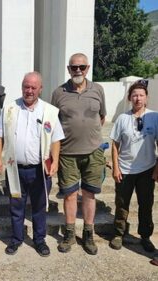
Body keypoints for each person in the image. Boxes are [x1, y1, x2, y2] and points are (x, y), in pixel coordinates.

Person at [0, 72, 64, 257]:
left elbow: (56, 139)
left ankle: (39, 240)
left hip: (40, 170)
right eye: (26, 86)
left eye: (33, 87)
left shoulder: (49, 111)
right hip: (14, 169)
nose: (29, 91)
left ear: (40, 89)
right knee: (16, 206)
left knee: (39, 207)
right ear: (22, 87)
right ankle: (16, 239)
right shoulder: (9, 108)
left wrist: (55, 161)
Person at [51, 53, 106, 255]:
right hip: (67, 153)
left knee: (90, 195)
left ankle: (89, 234)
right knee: (69, 195)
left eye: (82, 67)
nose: (78, 71)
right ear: (68, 69)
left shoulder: (98, 90)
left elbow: (102, 117)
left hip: (93, 152)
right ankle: (69, 234)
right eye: (74, 67)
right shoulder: (59, 93)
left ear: (88, 68)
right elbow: (52, 123)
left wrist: (89, 135)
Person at [109, 80, 158, 252]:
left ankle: (145, 236)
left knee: (146, 204)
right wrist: (115, 167)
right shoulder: (122, 118)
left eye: (141, 95)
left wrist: (157, 169)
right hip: (125, 169)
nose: (138, 98)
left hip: (147, 170)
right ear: (130, 98)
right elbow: (114, 144)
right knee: (122, 204)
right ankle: (118, 234)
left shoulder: (154, 117)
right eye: (135, 95)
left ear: (146, 98)